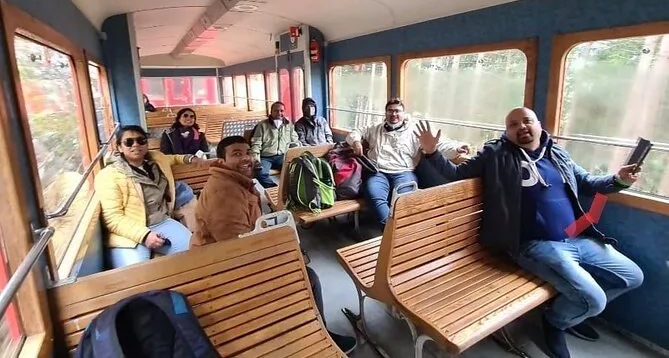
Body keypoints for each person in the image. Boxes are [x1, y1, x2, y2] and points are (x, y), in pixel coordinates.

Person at [414, 107, 644, 358]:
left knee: (632, 276)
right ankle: (556, 321)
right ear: (506, 131)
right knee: (595, 299)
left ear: (538, 125)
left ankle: (571, 312)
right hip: (534, 244)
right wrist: (431, 152)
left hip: (577, 236)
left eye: (527, 121)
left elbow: (588, 183)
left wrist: (619, 180)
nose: (521, 126)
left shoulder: (557, 153)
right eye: (513, 124)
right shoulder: (495, 154)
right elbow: (456, 174)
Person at [190, 136, 357, 354]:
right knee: (306, 277)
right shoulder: (224, 193)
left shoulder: (237, 182)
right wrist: (278, 259)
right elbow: (236, 250)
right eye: (236, 154)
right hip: (220, 268)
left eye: (248, 152)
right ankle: (314, 333)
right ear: (221, 161)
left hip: (236, 254)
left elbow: (249, 232)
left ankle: (311, 328)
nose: (246, 158)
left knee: (301, 267)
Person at [95, 125, 209, 268]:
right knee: (138, 273)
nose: (135, 145)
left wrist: (190, 158)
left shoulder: (157, 160)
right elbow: (113, 218)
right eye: (129, 142)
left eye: (141, 140)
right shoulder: (109, 175)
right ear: (119, 147)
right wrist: (144, 235)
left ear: (146, 144)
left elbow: (173, 158)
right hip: (129, 231)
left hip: (160, 221)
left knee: (195, 253)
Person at [346, 98, 469, 226]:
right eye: (390, 111)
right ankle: (392, 231)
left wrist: (456, 148)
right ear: (385, 113)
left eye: (397, 111)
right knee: (374, 196)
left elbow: (438, 143)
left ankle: (393, 232)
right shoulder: (375, 128)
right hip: (378, 172)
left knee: (404, 201)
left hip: (404, 173)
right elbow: (354, 133)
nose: (393, 114)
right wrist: (356, 141)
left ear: (404, 114)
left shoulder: (414, 130)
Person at [250, 101, 299, 188]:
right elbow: (256, 144)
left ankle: (289, 192)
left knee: (296, 169)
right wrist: (256, 160)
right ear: (271, 112)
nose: (279, 113)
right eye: (276, 111)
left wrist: (296, 155)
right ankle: (274, 190)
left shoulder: (289, 125)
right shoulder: (262, 125)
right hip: (265, 157)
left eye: (281, 111)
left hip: (282, 156)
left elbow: (294, 142)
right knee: (260, 173)